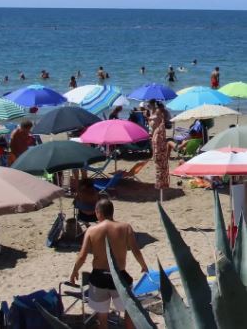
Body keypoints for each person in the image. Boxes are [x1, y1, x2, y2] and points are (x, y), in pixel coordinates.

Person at [70, 198, 148, 329]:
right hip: (120, 277)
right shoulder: (125, 227)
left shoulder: (91, 231)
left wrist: (74, 271)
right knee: (129, 312)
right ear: (112, 212)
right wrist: (143, 265)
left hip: (98, 278)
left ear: (98, 212)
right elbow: (136, 250)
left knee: (102, 317)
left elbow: (82, 256)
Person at [149, 101, 170, 193]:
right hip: (159, 150)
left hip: (159, 151)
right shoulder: (159, 128)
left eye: (154, 120)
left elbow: (158, 145)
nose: (151, 122)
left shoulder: (159, 130)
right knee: (160, 168)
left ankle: (161, 185)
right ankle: (161, 185)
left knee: (160, 168)